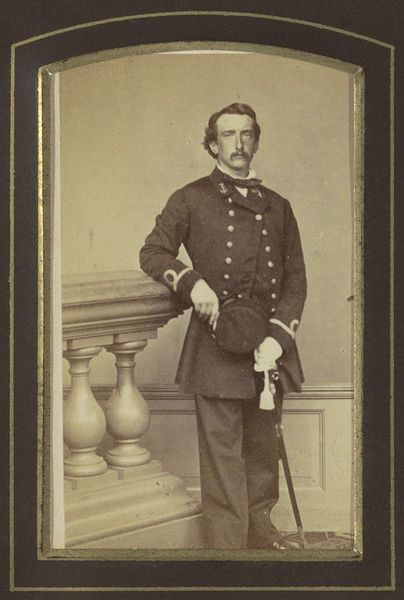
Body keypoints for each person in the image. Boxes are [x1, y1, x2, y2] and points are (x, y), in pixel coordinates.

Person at [139, 103, 307, 549]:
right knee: (222, 455)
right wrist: (191, 283)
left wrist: (279, 337)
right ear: (212, 144)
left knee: (263, 448)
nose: (238, 143)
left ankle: (261, 531)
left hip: (267, 345)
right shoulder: (190, 198)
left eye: (246, 134)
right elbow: (153, 252)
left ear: (256, 141)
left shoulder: (279, 206)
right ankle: (228, 549)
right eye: (228, 135)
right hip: (216, 344)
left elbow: (296, 279)